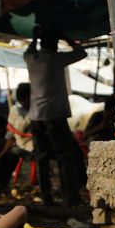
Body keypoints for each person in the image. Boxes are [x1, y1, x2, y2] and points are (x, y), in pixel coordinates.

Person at [24, 31, 87, 206]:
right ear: (55, 45)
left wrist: (35, 37)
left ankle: (47, 198)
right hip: (55, 116)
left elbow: (28, 50)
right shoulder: (57, 58)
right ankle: (70, 198)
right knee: (65, 158)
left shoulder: (32, 58)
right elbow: (82, 53)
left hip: (36, 117)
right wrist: (68, 39)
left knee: (42, 159)